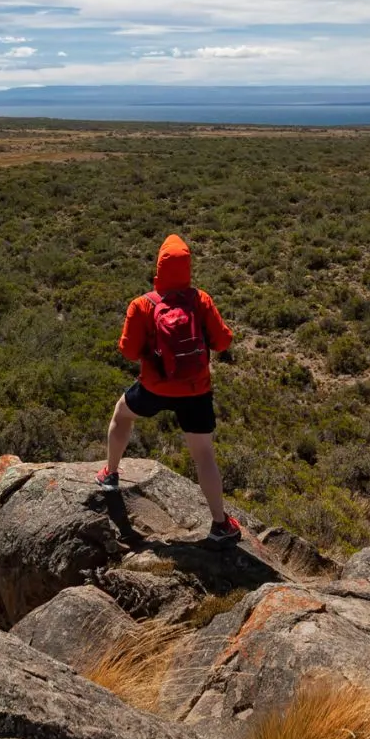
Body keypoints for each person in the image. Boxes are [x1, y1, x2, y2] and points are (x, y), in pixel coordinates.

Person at [97, 233, 240, 543]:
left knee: (122, 415)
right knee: (203, 455)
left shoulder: (142, 305)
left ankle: (110, 475)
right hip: (196, 390)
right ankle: (220, 525)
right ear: (187, 267)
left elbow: (128, 351)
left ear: (159, 268)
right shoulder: (200, 300)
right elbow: (223, 341)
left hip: (154, 387)